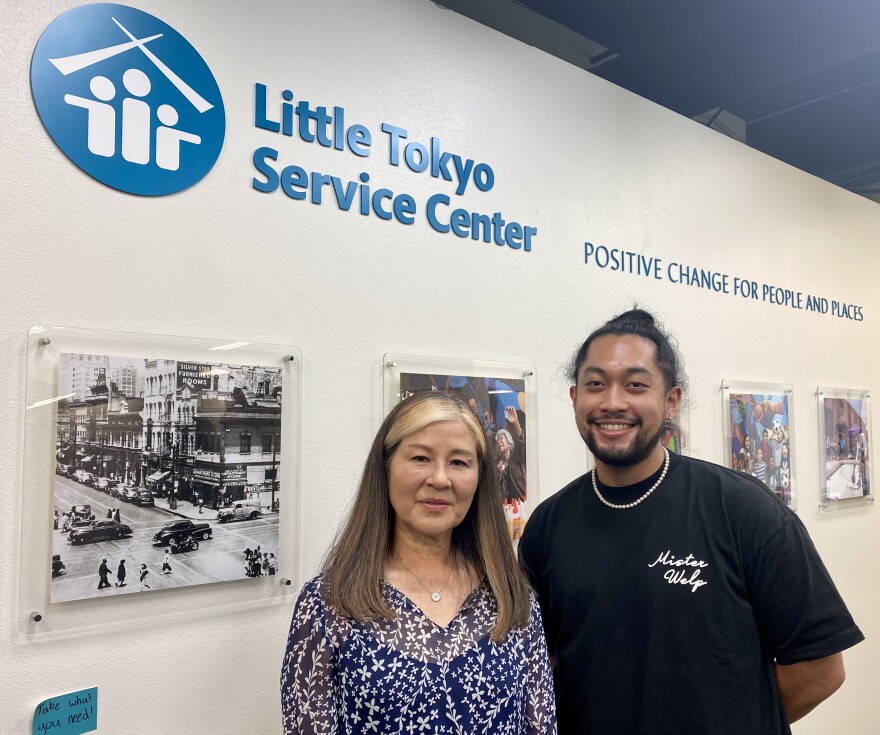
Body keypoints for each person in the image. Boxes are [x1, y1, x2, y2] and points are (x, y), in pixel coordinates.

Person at [519, 309, 863, 734]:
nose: (612, 402)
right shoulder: (547, 527)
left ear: (671, 402)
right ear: (575, 398)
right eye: (595, 384)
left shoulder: (741, 508)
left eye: (635, 385)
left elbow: (820, 669)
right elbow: (546, 668)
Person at [281, 391, 555, 734]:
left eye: (459, 462)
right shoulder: (330, 603)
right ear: (386, 468)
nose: (440, 479)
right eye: (421, 458)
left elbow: (541, 725)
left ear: (479, 478)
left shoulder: (512, 598)